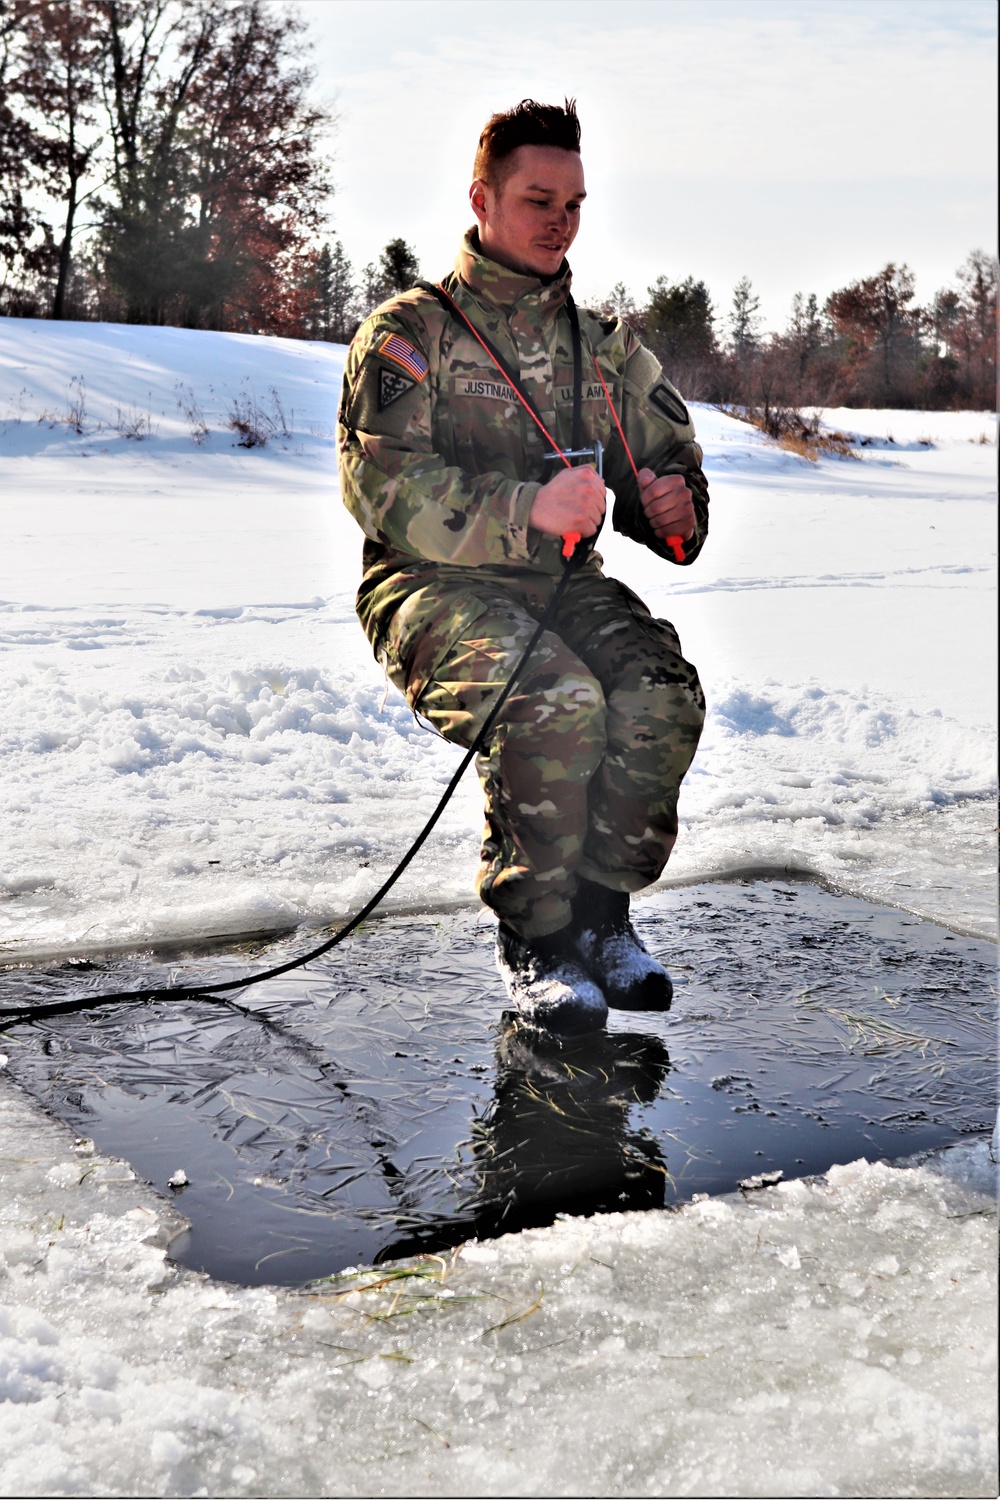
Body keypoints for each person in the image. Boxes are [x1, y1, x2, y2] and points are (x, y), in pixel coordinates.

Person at [337, 98, 709, 1036]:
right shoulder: (410, 333)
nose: (560, 220)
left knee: (661, 691)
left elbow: (666, 467)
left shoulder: (604, 346)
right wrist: (522, 510)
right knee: (554, 699)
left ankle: (600, 916)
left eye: (575, 202)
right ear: (483, 198)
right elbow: (380, 485)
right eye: (539, 198)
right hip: (426, 588)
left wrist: (676, 505)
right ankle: (536, 937)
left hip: (561, 587)